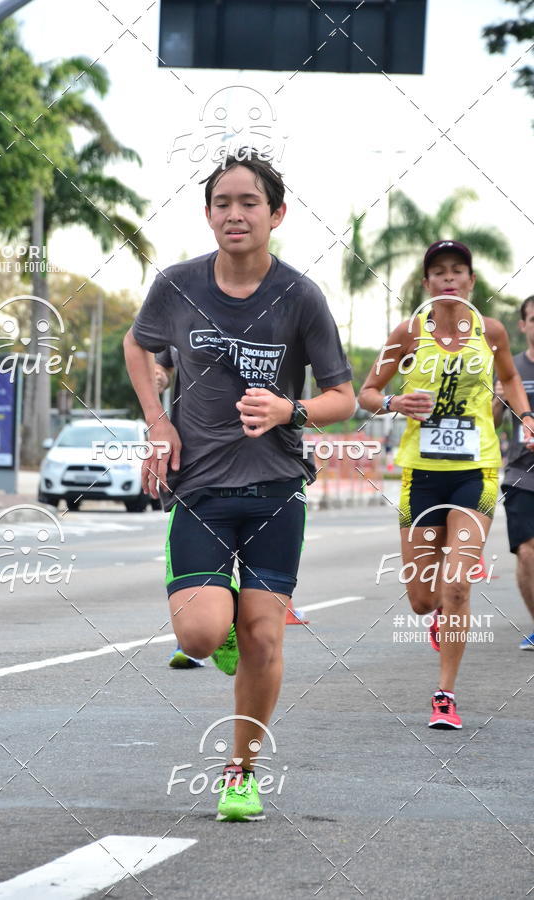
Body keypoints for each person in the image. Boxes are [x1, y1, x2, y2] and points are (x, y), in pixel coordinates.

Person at [124, 150, 355, 820]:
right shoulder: (178, 285)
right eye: (222, 202)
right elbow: (140, 345)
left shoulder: (300, 296)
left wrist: (293, 409)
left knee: (264, 637)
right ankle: (216, 625)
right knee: (200, 635)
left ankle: (240, 771)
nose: (235, 214)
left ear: (276, 214)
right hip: (198, 489)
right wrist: (157, 422)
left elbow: (343, 396)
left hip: (276, 487)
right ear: (208, 214)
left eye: (249, 202)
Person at [359, 240, 534, 729]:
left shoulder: (491, 331)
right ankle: (436, 615)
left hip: (476, 472)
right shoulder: (409, 333)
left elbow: (511, 380)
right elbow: (366, 393)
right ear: (426, 284)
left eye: (458, 271)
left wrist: (526, 416)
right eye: (439, 273)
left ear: (472, 282)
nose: (449, 279)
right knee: (422, 599)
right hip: (421, 476)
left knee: (457, 583)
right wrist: (395, 404)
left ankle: (444, 695)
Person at [155, 348, 207, 669]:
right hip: (192, 464)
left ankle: (228, 620)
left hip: (259, 462)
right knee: (190, 555)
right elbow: (160, 367)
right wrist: (157, 377)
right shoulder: (182, 306)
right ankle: (187, 641)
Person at [493, 295, 534, 650]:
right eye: (533, 319)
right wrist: (496, 398)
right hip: (522, 474)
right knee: (526, 551)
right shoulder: (511, 368)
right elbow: (489, 424)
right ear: (523, 325)